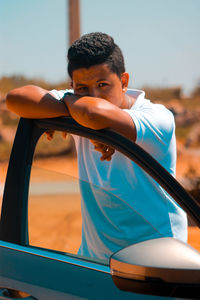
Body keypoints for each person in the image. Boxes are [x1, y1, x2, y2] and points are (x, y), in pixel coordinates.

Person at [6, 32, 187, 262]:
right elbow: (16, 98)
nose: (95, 96)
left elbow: (93, 112)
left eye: (103, 85)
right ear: (72, 85)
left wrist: (72, 111)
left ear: (124, 81)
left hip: (158, 266)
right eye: (83, 88)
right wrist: (78, 114)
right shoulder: (77, 106)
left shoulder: (157, 118)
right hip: (96, 265)